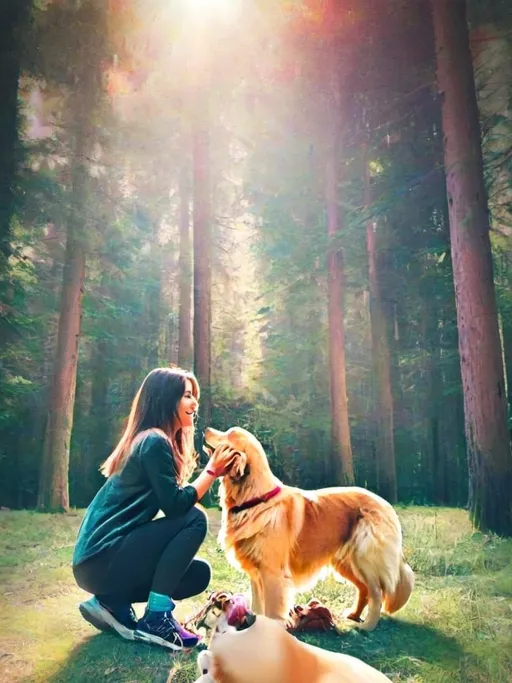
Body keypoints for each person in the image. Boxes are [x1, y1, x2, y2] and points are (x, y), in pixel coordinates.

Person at [72, 367, 234, 651]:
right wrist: (212, 470)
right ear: (164, 399)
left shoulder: (151, 440)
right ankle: (156, 618)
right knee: (194, 519)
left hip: (96, 565)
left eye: (194, 395)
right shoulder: (154, 441)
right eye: (187, 395)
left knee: (197, 575)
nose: (195, 403)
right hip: (101, 558)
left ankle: (112, 602)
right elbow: (175, 506)